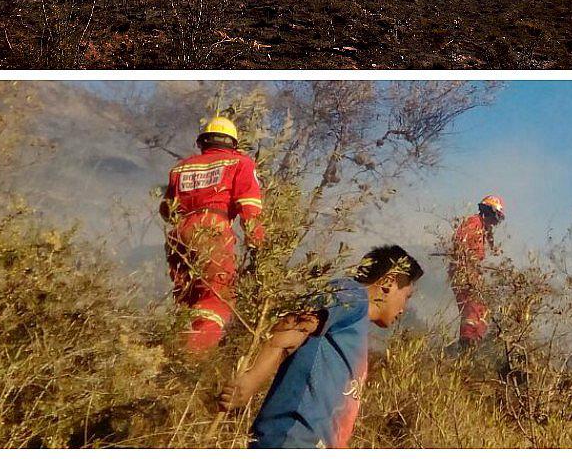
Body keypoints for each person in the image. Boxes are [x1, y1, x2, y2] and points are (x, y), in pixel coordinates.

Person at [218, 245, 425, 449]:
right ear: (388, 282)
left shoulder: (356, 321)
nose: (403, 309)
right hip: (293, 439)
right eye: (406, 296)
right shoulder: (352, 295)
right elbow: (293, 327)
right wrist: (251, 380)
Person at [161, 116, 265, 353]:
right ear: (233, 143)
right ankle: (192, 361)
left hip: (179, 236)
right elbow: (249, 206)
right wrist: (258, 244)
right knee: (215, 300)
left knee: (186, 302)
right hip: (212, 230)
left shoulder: (181, 167)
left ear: (203, 142)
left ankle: (170, 355)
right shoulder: (239, 163)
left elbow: (167, 210)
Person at [447, 195, 505, 348]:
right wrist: (467, 265)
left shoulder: (482, 228)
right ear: (489, 212)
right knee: (472, 306)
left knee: (482, 308)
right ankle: (467, 343)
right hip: (464, 270)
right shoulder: (473, 222)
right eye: (494, 217)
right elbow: (459, 242)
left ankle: (474, 339)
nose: (494, 222)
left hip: (470, 271)